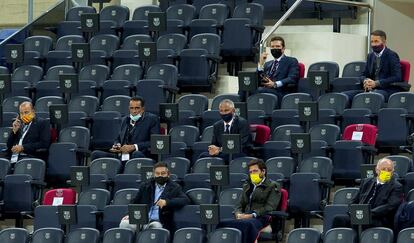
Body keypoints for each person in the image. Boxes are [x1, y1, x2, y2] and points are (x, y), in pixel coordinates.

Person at [217, 159, 281, 243]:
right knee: (222, 223)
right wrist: (238, 213)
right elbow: (239, 204)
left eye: (255, 171)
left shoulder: (273, 186)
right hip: (245, 217)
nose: (252, 174)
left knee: (247, 225)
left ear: (263, 171)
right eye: (250, 172)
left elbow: (269, 207)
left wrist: (252, 215)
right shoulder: (247, 185)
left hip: (261, 218)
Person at [333, 157, 403, 229]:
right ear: (377, 170)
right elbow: (354, 200)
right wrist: (353, 211)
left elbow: (389, 206)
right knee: (339, 219)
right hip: (360, 215)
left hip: (378, 218)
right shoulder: (367, 182)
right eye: (383, 169)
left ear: (392, 172)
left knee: (361, 223)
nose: (386, 171)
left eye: (389, 170)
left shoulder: (396, 186)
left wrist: (368, 213)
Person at [119, 162, 190, 233]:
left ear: (168, 174)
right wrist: (129, 214)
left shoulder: (174, 187)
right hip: (141, 219)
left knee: (155, 228)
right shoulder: (145, 186)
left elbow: (185, 200)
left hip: (158, 221)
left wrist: (166, 202)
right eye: (157, 173)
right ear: (154, 174)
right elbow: (134, 201)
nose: (160, 176)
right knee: (124, 224)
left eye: (163, 173)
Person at [91, 96, 160, 162]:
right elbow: (118, 138)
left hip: (140, 155)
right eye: (131, 108)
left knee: (136, 154)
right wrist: (117, 145)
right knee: (96, 154)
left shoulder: (152, 119)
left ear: (143, 109)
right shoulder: (124, 119)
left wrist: (134, 147)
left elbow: (155, 142)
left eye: (137, 108)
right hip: (121, 155)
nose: (134, 111)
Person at [344, 30, 402, 100]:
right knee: (344, 96)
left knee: (373, 96)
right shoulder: (370, 56)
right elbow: (364, 74)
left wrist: (376, 83)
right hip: (371, 89)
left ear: (384, 42)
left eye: (376, 41)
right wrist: (365, 80)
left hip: (387, 89)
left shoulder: (391, 55)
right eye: (372, 42)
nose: (373, 44)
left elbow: (397, 77)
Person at [239, 36, 299, 103]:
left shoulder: (291, 61)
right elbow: (255, 79)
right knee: (244, 86)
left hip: (280, 92)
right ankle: (239, 109)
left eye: (277, 46)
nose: (275, 48)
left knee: (259, 90)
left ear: (283, 48)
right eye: (272, 47)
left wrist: (275, 84)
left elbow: (292, 78)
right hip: (266, 89)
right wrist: (261, 64)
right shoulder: (268, 64)